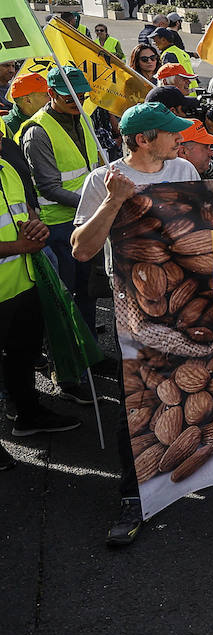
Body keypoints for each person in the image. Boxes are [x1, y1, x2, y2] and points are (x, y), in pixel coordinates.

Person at [69, 101, 202, 546]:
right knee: (139, 401)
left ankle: (186, 470)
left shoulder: (183, 170)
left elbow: (203, 229)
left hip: (186, 301)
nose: (180, 138)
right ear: (144, 139)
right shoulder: (102, 180)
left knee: (191, 385)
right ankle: (134, 496)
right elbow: (82, 249)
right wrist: (114, 200)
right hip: (135, 306)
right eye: (171, 132)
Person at [0, 141, 76, 447]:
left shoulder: (7, 168)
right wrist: (19, 247)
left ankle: (28, 415)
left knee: (21, 356)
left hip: (23, 284)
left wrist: (38, 227)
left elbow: (26, 213)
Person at [20, 66, 102, 337]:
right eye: (70, 97)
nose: (78, 101)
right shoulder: (38, 132)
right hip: (58, 227)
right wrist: (93, 203)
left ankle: (91, 355)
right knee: (65, 297)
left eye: (82, 95)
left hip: (86, 219)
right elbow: (49, 187)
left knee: (88, 291)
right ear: (51, 93)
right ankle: (70, 367)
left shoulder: (84, 118)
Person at [3, 71, 49, 136]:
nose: (52, 97)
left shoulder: (50, 117)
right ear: (27, 100)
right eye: (47, 94)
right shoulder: (7, 127)